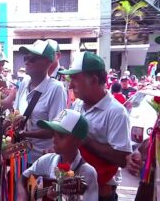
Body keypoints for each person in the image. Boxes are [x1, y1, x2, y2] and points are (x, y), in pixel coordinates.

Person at [59, 51, 132, 200]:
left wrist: (84, 139)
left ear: (93, 80)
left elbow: (122, 159)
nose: (70, 85)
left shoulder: (117, 112)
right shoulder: (77, 105)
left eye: (74, 78)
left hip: (101, 195)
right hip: (74, 190)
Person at [17, 109, 98, 201]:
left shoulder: (87, 173)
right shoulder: (46, 160)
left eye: (61, 136)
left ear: (78, 141)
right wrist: (22, 195)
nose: (54, 140)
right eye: (53, 134)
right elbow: (22, 179)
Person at [14, 39, 67, 164]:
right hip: (18, 158)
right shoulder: (24, 83)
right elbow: (15, 113)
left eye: (32, 59)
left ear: (48, 62)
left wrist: (25, 134)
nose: (27, 62)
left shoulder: (56, 89)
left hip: (40, 160)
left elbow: (55, 129)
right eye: (25, 58)